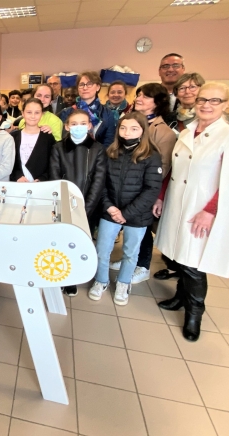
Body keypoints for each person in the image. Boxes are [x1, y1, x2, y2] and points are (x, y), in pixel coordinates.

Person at [154, 82, 229, 341]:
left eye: (215, 101)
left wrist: (210, 211)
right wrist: (161, 197)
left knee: (194, 262)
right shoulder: (186, 133)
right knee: (180, 256)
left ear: (225, 104)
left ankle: (195, 314)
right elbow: (174, 168)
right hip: (177, 202)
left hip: (201, 209)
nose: (207, 105)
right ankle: (180, 298)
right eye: (203, 100)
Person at [88, 112, 162, 306]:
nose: (127, 133)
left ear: (142, 131)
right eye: (123, 128)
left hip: (137, 214)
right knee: (102, 250)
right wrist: (110, 207)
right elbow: (101, 183)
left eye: (134, 128)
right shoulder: (111, 152)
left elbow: (152, 189)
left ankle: (123, 282)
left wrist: (126, 213)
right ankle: (101, 280)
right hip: (110, 210)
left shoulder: (151, 156)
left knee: (131, 252)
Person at [111, 83, 177, 284]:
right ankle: (127, 260)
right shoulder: (128, 121)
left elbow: (163, 166)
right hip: (124, 186)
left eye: (145, 97)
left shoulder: (163, 131)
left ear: (157, 103)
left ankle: (143, 266)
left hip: (144, 190)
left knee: (143, 228)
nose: (138, 98)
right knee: (129, 228)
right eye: (138, 95)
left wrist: (153, 194)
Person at [50, 109, 107, 296]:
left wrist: (85, 208)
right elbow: (55, 177)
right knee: (61, 242)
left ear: (90, 126)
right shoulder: (58, 148)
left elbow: (98, 181)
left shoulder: (98, 149)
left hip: (86, 208)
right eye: (74, 124)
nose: (78, 127)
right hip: (63, 205)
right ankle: (61, 275)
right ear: (67, 127)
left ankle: (73, 278)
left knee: (79, 243)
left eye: (83, 123)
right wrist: (64, 206)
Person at [59, 71, 118, 149]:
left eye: (89, 84)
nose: (85, 87)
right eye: (81, 84)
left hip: (99, 157)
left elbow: (109, 141)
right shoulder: (67, 112)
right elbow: (64, 139)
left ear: (98, 87)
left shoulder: (107, 113)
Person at [11, 98, 56, 183]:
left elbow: (52, 163)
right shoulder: (13, 137)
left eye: (37, 113)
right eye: (29, 112)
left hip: (40, 185)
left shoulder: (48, 137)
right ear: (23, 113)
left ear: (41, 114)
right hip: (17, 184)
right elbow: (9, 162)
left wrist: (42, 179)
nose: (33, 116)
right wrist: (17, 176)